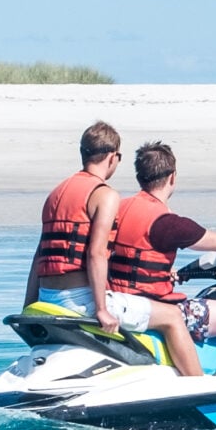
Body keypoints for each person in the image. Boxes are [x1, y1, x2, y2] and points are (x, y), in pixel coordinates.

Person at [84, 141, 216, 377]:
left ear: (140, 177)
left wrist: (162, 273)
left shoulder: (116, 207)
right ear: (172, 178)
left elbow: (125, 253)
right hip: (157, 307)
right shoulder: (168, 223)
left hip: (121, 301)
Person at [24, 121, 127, 310]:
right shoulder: (105, 195)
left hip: (46, 296)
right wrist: (102, 310)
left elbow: (39, 257)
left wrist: (28, 306)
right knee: (168, 316)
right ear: (113, 157)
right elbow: (96, 254)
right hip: (79, 299)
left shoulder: (55, 194)